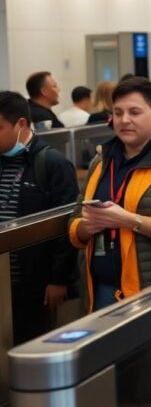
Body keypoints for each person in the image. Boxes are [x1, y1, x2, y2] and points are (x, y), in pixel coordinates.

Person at [69, 77, 151, 311]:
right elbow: (75, 217)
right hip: (99, 288)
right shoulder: (101, 161)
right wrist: (85, 228)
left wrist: (128, 220)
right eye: (118, 112)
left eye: (134, 112)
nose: (124, 120)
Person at [0, 92, 79, 343]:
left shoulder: (52, 164)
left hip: (35, 282)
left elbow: (66, 226)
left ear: (21, 124)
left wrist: (58, 280)